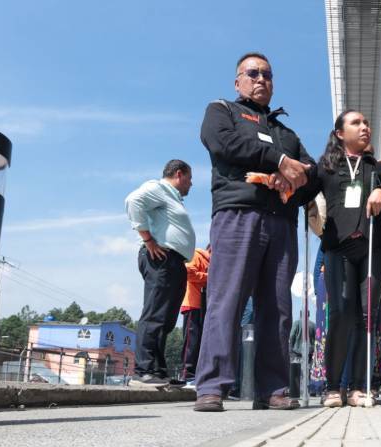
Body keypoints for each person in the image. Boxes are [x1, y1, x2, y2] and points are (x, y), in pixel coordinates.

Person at [194, 52, 317, 413]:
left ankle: (273, 388)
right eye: (253, 73)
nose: (261, 79)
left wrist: (292, 180)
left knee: (277, 308)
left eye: (267, 74)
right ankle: (212, 385)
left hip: (281, 223)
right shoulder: (223, 111)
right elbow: (223, 144)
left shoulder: (287, 133)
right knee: (226, 300)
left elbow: (311, 175)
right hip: (238, 214)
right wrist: (277, 161)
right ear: (238, 82)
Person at [305, 110, 381, 407]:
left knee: (365, 315)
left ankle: (360, 388)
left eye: (366, 123)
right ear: (339, 133)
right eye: (356, 123)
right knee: (340, 313)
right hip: (338, 248)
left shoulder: (380, 168)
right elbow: (303, 193)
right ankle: (334, 387)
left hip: (375, 249)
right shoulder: (326, 167)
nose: (364, 127)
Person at [125, 159, 196, 385]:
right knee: (155, 313)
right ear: (178, 174)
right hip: (160, 257)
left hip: (175, 261)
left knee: (166, 318)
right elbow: (133, 200)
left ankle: (157, 370)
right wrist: (148, 239)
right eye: (189, 178)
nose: (191, 184)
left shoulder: (171, 198)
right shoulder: (158, 188)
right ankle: (142, 369)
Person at [179, 245, 211, 386]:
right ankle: (187, 374)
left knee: (199, 341)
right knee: (191, 341)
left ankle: (195, 374)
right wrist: (210, 277)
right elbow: (189, 272)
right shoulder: (197, 255)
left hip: (203, 305)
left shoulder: (210, 261)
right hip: (193, 304)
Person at [289, 315, 315, 398]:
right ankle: (307, 390)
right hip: (309, 351)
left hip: (297, 351)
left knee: (297, 372)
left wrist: (291, 348)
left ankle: (297, 391)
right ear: (309, 314)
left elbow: (292, 335)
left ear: (300, 314)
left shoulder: (296, 323)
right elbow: (315, 338)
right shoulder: (312, 324)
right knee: (308, 371)